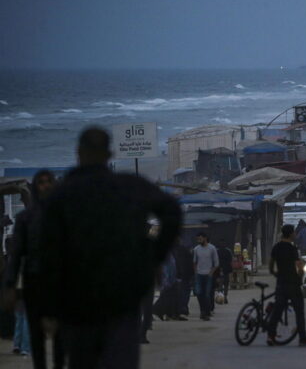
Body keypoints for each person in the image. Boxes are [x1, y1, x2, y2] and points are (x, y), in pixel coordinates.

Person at [38, 127, 182, 369]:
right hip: (122, 295)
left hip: (78, 300)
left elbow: (49, 254)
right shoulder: (129, 186)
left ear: (79, 153)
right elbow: (172, 212)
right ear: (110, 154)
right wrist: (153, 257)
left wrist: (49, 306)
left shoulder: (61, 195)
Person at [3, 170, 66, 366]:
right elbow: (17, 255)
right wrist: (10, 285)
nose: (46, 185)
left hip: (58, 283)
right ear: (36, 188)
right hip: (33, 282)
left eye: (49, 182)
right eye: (41, 182)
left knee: (59, 335)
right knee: (36, 334)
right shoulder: (25, 218)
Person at [267, 225, 306, 346]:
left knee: (277, 311)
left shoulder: (276, 247)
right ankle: (302, 338)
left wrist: (276, 274)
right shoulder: (292, 249)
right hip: (293, 284)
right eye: (294, 233)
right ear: (291, 234)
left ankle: (271, 336)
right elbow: (299, 266)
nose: (295, 235)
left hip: (281, 283)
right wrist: (300, 277)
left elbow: (271, 266)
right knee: (299, 311)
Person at [193, 232, 219, 321]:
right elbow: (194, 262)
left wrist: (211, 273)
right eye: (197, 239)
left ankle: (206, 313)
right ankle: (202, 311)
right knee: (199, 293)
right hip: (199, 275)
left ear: (205, 238)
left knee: (207, 295)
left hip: (208, 275)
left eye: (200, 239)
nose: (198, 241)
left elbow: (216, 263)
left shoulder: (212, 248)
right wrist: (196, 272)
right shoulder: (196, 249)